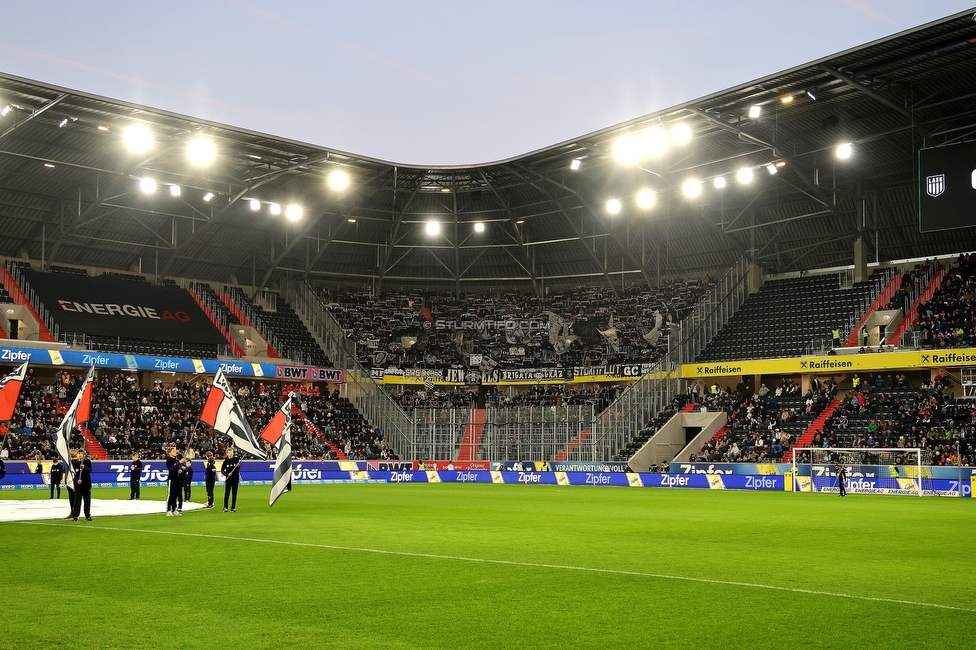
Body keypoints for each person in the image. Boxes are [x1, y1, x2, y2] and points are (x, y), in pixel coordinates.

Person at [72, 451, 93, 521]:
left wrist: (84, 467)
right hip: (78, 486)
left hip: (86, 484)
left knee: (87, 501)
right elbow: (74, 475)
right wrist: (77, 481)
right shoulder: (75, 464)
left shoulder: (87, 462)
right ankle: (76, 516)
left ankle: (87, 515)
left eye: (82, 454)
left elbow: (90, 470)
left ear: (84, 455)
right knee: (77, 502)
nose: (80, 455)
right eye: (79, 454)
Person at [221, 447, 241, 513]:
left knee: (234, 494)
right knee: (227, 493)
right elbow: (222, 471)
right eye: (229, 452)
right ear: (227, 453)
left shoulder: (236, 459)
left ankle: (233, 507)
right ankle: (225, 507)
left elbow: (238, 470)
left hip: (235, 479)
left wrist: (238, 466)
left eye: (231, 452)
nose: (231, 454)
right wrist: (227, 474)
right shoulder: (225, 462)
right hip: (229, 479)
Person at [165, 447, 183, 516]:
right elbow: (171, 468)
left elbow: (176, 468)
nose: (175, 452)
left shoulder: (175, 460)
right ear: (170, 453)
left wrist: (179, 470)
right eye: (173, 451)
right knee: (171, 495)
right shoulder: (169, 460)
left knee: (175, 495)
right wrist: (179, 463)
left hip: (177, 479)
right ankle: (168, 509)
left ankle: (174, 509)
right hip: (172, 479)